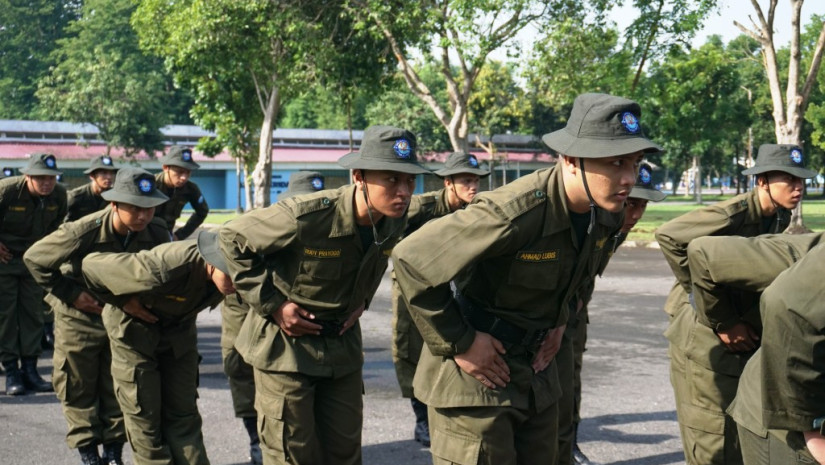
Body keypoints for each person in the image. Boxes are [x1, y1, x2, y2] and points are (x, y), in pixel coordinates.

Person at [392, 93, 661, 464]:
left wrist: (561, 318)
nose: (629, 178)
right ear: (570, 160)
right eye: (616, 163)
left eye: (634, 163)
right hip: (477, 381)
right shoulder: (514, 212)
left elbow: (580, 276)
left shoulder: (606, 212)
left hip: (537, 376)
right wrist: (461, 342)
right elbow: (412, 260)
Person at [218, 125, 451, 465]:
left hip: (341, 349)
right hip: (286, 350)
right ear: (359, 176)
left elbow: (374, 262)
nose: (403, 191)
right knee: (293, 454)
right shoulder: (308, 216)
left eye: (409, 181)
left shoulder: (393, 218)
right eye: (391, 179)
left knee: (344, 453)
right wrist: (274, 305)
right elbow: (231, 239)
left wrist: (363, 302)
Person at [655, 143, 816, 465]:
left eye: (802, 181)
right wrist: (705, 301)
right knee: (713, 440)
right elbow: (669, 236)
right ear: (762, 182)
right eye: (788, 180)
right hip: (702, 334)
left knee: (736, 435)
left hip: (729, 336)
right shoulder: (734, 213)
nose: (798, 187)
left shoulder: (778, 214)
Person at [24, 167, 171, 465]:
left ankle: (114, 452)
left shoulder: (156, 232)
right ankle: (89, 453)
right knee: (78, 384)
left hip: (122, 316)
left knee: (118, 383)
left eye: (149, 207)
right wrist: (71, 294)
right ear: (113, 204)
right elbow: (35, 259)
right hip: (79, 316)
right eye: (134, 208)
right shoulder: (83, 231)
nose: (143, 215)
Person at [80, 230, 235, 465]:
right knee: (145, 416)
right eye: (233, 275)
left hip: (178, 333)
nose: (239, 283)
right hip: (134, 333)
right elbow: (91, 266)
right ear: (212, 263)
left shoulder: (234, 274)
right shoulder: (160, 268)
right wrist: (121, 301)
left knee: (184, 414)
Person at [681, 234, 825, 464]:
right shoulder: (735, 214)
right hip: (783, 395)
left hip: (781, 356)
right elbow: (699, 251)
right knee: (715, 445)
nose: (797, 195)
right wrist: (725, 322)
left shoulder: (780, 217)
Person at [564, 162, 666, 465]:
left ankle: (568, 445)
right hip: (545, 318)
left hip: (574, 315)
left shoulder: (616, 227)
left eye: (642, 206)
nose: (635, 215)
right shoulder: (586, 221)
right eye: (631, 203)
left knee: (571, 381)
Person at [221, 170, 325, 465]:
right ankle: (256, 438)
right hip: (245, 302)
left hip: (294, 315)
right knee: (242, 367)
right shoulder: (268, 225)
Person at [392, 151, 490, 447]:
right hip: (415, 287)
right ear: (448, 182)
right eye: (466, 181)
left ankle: (450, 410)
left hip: (458, 284)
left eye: (475, 180)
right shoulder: (422, 208)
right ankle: (422, 420)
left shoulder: (479, 210)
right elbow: (386, 230)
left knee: (453, 344)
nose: (473, 186)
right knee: (409, 346)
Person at [0, 153, 67, 396]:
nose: (46, 183)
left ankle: (30, 369)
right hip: (4, 262)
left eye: (50, 177)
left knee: (33, 314)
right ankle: (11, 371)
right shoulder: (7, 190)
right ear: (27, 176)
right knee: (6, 316)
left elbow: (58, 226)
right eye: (40, 178)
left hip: (33, 263)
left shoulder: (58, 195)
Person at [154, 145, 209, 240]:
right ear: (166, 168)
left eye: (188, 172)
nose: (184, 177)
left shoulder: (190, 188)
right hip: (144, 236)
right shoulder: (152, 185)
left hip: (167, 237)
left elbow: (202, 211)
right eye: (179, 172)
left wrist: (180, 235)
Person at [66, 155, 118, 221]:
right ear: (92, 175)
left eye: (112, 173)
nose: (109, 177)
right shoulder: (76, 197)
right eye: (104, 173)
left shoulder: (115, 198)